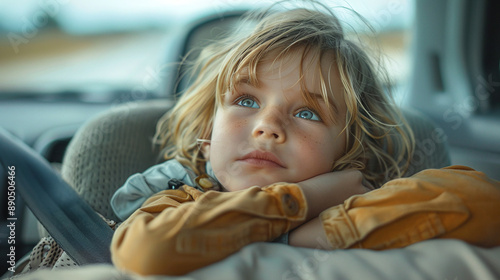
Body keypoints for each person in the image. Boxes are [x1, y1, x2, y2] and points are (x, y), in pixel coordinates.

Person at [110, 4, 500, 277]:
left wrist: (329, 224)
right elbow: (146, 251)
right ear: (207, 137)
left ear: (346, 151)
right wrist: (301, 205)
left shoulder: (354, 201)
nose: (267, 126)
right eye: (246, 101)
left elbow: (485, 202)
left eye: (307, 114)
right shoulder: (181, 195)